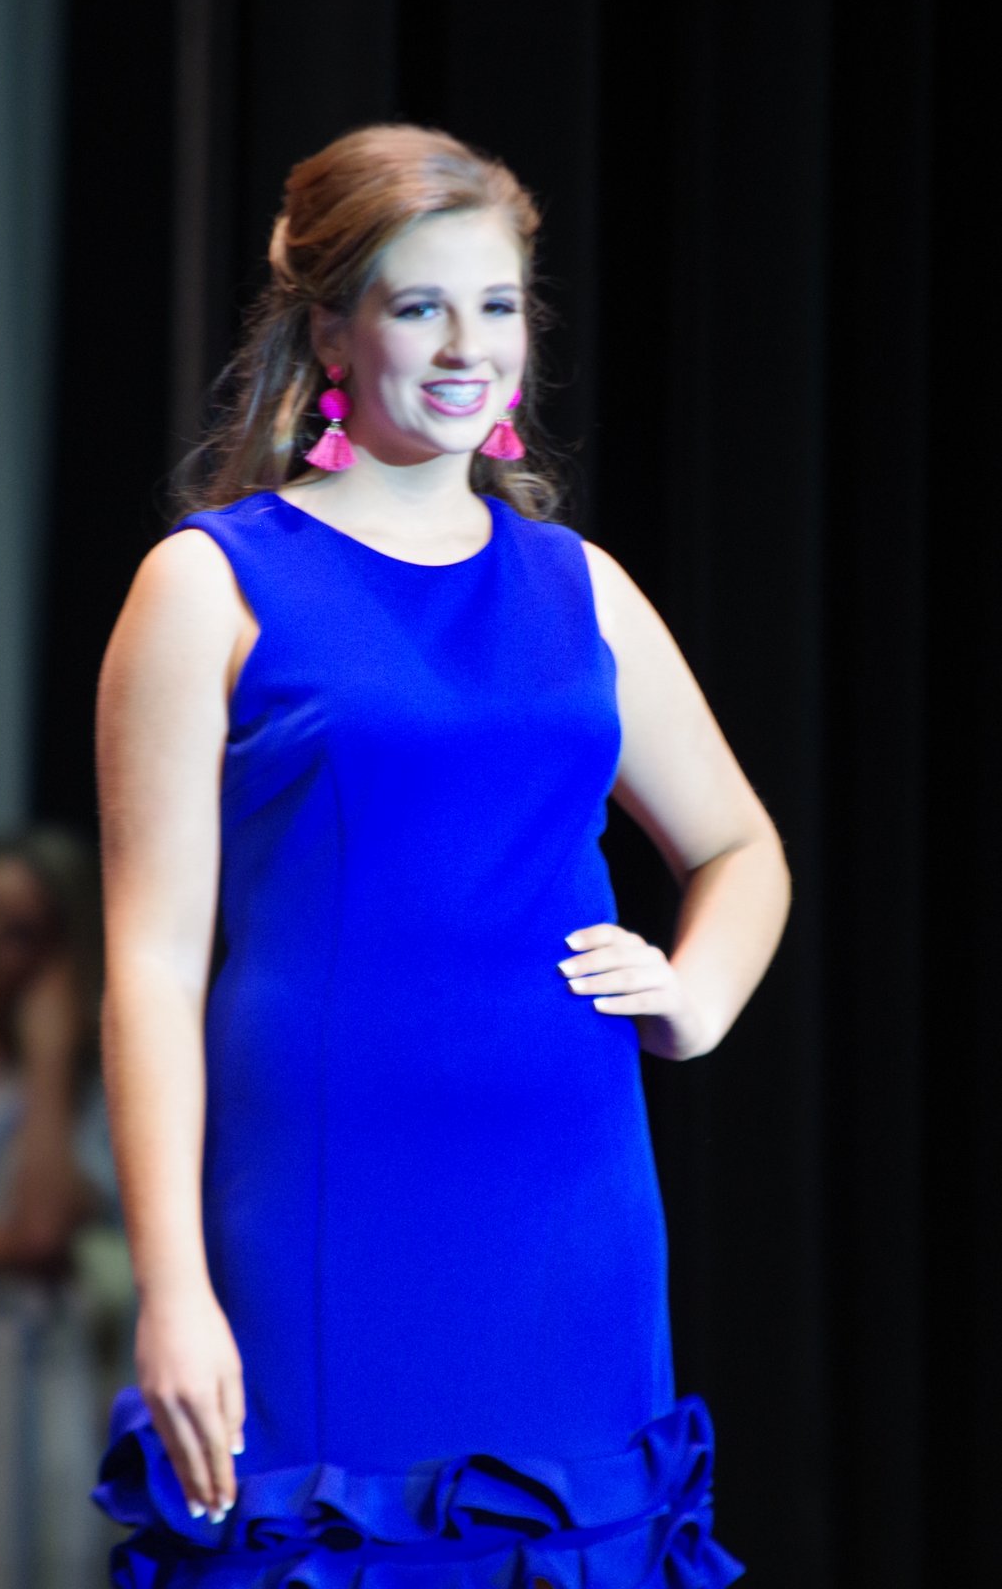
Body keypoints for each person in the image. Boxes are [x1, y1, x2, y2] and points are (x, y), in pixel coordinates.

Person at [90, 123, 791, 1589]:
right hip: (323, 1199)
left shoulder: (579, 586)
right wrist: (172, 1288)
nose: (469, 347)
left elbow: (740, 844)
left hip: (569, 1204)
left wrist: (697, 995)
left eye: (497, 305)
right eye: (420, 306)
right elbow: (149, 968)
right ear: (331, 331)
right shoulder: (212, 582)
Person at [0, 825, 120, 1589]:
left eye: (20, 933)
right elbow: (25, 1242)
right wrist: (1, 1246)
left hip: (28, 1381)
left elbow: (43, 1229)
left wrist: (49, 1050)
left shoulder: (73, 1089)